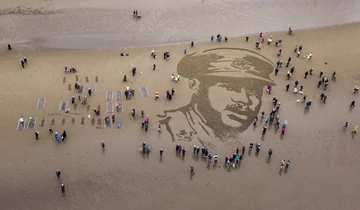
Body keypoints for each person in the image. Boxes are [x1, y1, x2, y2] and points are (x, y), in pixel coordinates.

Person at [158, 48, 275, 146]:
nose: (244, 100)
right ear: (195, 85)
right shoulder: (172, 127)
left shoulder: (225, 136)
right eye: (229, 87)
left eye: (254, 92)